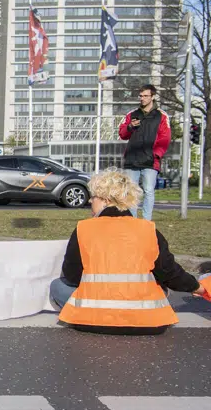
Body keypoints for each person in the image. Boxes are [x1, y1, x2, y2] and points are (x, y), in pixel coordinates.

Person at [50, 169, 208, 332]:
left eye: (94, 196)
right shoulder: (148, 229)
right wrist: (199, 288)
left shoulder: (84, 228)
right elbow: (170, 272)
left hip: (92, 319)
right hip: (147, 322)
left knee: (57, 285)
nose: (90, 200)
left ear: (105, 200)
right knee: (160, 285)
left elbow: (71, 276)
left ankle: (79, 314)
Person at [118, 84, 171, 221]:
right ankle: (132, 220)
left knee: (148, 191)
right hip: (132, 160)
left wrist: (156, 154)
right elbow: (122, 134)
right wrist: (130, 127)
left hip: (150, 161)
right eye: (141, 96)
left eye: (146, 96)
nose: (142, 98)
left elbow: (165, 138)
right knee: (131, 192)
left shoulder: (162, 116)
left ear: (152, 97)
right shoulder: (132, 114)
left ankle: (147, 221)